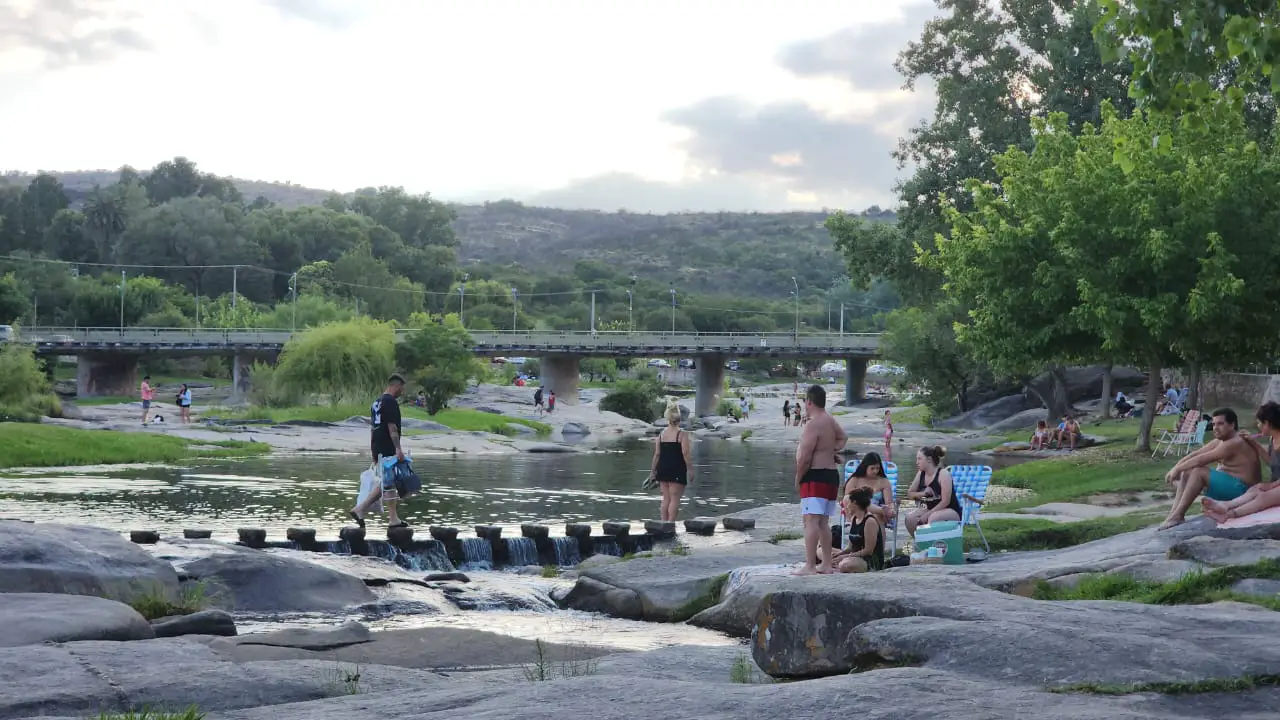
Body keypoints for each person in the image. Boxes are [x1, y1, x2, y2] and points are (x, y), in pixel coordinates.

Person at [1160, 407, 1262, 530]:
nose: (1215, 428)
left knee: (1198, 471)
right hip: (1231, 486)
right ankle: (1174, 514)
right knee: (1187, 471)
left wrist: (1177, 470)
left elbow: (1201, 460)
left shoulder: (1235, 442)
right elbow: (1196, 454)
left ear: (1232, 425)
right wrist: (1177, 466)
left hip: (1243, 492)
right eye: (1213, 424)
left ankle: (1177, 515)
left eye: (1220, 424)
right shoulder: (1220, 441)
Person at [793, 384, 847, 576]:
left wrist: (798, 477)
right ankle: (826, 564)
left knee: (810, 521)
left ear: (809, 402)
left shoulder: (813, 424)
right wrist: (830, 450)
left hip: (815, 476)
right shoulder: (830, 420)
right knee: (823, 522)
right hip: (831, 476)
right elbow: (843, 438)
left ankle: (810, 565)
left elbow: (805, 457)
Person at [1202, 402, 1280, 523]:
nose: (1258, 426)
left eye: (1260, 423)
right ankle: (1225, 505)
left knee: (1264, 497)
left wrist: (1271, 486)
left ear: (1267, 423)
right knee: (1254, 490)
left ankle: (1229, 515)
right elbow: (1272, 462)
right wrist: (1253, 443)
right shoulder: (1273, 439)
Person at [350, 374, 408, 529]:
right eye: (401, 389)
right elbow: (392, 427)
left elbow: (373, 428)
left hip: (378, 446)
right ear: (396, 386)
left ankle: (393, 518)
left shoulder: (377, 402)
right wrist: (398, 448)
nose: (402, 392)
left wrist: (374, 450)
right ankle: (361, 509)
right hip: (387, 447)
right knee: (388, 483)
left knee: (388, 482)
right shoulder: (390, 401)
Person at [648, 398, 693, 522]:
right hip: (676, 469)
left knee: (666, 499)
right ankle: (670, 524)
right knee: (675, 499)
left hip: (663, 469)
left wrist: (653, 471)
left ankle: (663, 523)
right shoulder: (682, 434)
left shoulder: (661, 435)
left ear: (667, 418)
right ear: (679, 419)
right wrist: (690, 470)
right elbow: (685, 453)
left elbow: (657, 454)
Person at [904, 445, 962, 535]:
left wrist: (928, 514)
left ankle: (934, 542)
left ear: (929, 459)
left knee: (933, 518)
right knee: (910, 518)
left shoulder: (943, 474)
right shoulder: (921, 474)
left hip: (950, 511)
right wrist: (923, 494)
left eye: (919, 459)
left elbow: (945, 501)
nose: (917, 462)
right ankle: (920, 541)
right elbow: (910, 494)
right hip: (931, 509)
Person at [833, 487, 884, 573]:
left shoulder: (869, 521)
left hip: (869, 560)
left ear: (854, 503)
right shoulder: (854, 519)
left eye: (848, 503)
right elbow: (850, 547)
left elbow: (868, 551)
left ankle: (838, 565)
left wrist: (846, 557)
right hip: (854, 556)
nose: (846, 506)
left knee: (845, 565)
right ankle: (835, 563)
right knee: (823, 551)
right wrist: (839, 555)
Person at [843, 451, 894, 528]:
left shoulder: (884, 481)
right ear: (865, 467)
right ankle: (880, 510)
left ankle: (879, 512)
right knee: (848, 498)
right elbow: (848, 501)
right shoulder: (855, 480)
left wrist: (891, 509)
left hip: (876, 514)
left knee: (876, 516)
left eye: (877, 468)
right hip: (857, 513)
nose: (875, 471)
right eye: (872, 468)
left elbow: (889, 503)